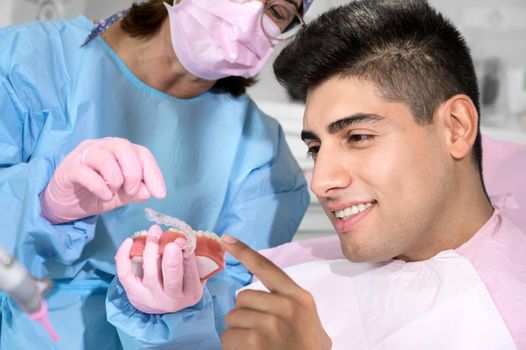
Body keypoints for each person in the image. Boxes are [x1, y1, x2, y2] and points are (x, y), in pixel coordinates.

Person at [0, 0, 315, 348]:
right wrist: (44, 203)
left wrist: (179, 311)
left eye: (278, 10)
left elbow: (235, 308)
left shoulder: (265, 159)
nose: (246, 19)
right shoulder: (25, 60)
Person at [217, 0, 526, 349]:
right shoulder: (305, 269)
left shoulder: (508, 320)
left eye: (358, 137)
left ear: (455, 128)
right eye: (315, 148)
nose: (320, 182)